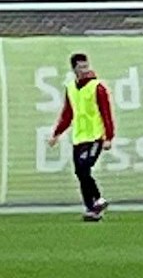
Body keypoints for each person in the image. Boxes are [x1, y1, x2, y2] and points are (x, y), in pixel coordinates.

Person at [47, 52, 116, 222]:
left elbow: (106, 112)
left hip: (95, 136)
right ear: (74, 69)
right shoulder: (71, 87)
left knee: (85, 167)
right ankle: (92, 209)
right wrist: (57, 133)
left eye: (86, 66)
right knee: (80, 172)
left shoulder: (97, 87)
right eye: (81, 67)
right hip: (79, 136)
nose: (85, 70)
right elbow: (68, 114)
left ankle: (98, 200)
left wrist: (108, 137)